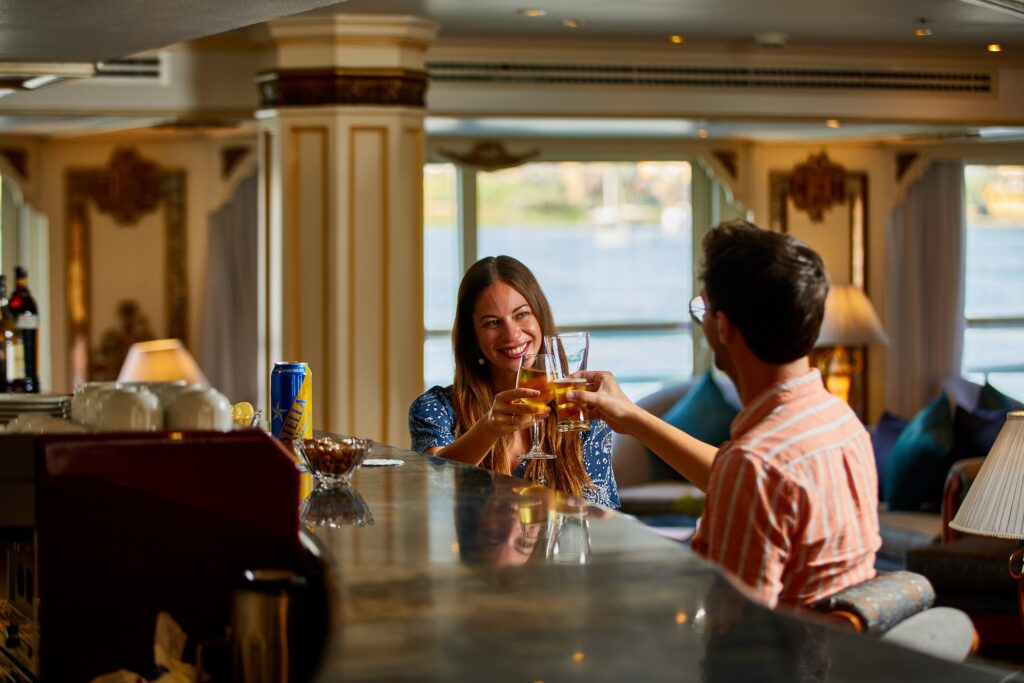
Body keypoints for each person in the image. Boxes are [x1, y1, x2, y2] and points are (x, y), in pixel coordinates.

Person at [571, 221, 880, 608]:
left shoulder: (756, 463)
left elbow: (733, 632)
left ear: (725, 327)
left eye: (703, 310)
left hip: (781, 660)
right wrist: (632, 417)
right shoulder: (841, 421)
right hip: (842, 653)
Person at [409, 255, 619, 508]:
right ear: (473, 336)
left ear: (540, 318)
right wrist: (488, 429)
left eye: (521, 315)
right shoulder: (437, 408)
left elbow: (602, 513)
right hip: (475, 549)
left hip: (565, 548)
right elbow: (432, 486)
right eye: (493, 323)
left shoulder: (580, 410)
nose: (511, 334)